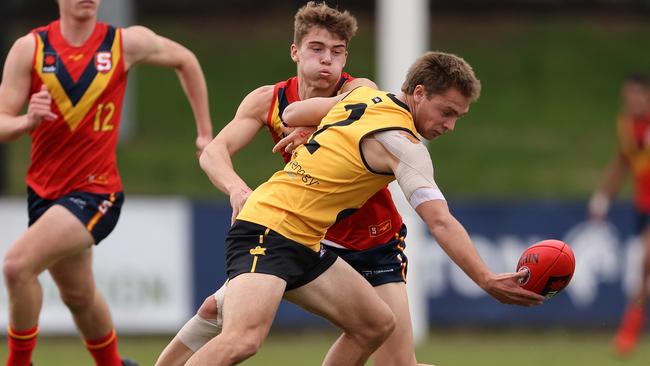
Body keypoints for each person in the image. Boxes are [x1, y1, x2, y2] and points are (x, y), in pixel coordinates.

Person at [184, 51, 544, 366]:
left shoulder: (369, 100)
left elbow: (293, 111)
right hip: (269, 225)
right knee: (243, 340)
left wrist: (315, 125)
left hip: (304, 240)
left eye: (458, 118)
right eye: (446, 112)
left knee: (376, 324)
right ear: (419, 93)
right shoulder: (403, 144)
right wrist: (485, 279)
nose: (449, 125)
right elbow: (440, 221)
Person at [156, 2, 433, 366]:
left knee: (397, 362)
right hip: (303, 232)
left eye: (337, 52)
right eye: (316, 49)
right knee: (215, 311)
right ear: (295, 51)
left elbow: (355, 111)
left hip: (371, 239)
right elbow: (213, 152)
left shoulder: (360, 90)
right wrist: (238, 189)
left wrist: (316, 124)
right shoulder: (267, 100)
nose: (326, 61)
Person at [0, 0, 213, 365]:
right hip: (44, 195)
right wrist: (26, 122)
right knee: (79, 296)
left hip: (96, 192)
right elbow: (3, 120)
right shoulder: (30, 48)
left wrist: (205, 133)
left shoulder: (123, 43)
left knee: (17, 266)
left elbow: (186, 60)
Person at [589, 73, 650, 356]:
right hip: (643, 206)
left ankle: (628, 332)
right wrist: (603, 197)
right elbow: (623, 162)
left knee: (646, 261)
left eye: (638, 95)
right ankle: (630, 329)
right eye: (628, 96)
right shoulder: (627, 125)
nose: (633, 101)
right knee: (644, 272)